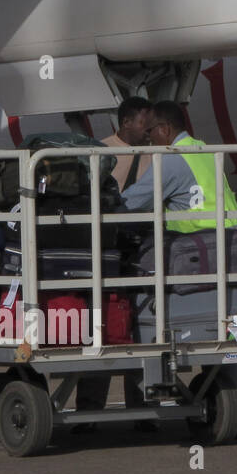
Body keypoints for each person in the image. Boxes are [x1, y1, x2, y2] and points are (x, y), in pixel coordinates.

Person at [122, 101, 237, 436]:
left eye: (150, 134)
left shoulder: (171, 160)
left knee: (217, 332)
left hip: (209, 256)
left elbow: (133, 202)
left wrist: (99, 201)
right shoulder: (205, 151)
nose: (149, 141)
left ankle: (230, 417)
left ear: (164, 130)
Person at [74, 98, 155, 433]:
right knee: (104, 328)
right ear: (124, 123)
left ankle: (144, 410)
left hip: (142, 255)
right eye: (143, 125)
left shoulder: (156, 154)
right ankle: (89, 412)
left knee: (142, 331)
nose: (149, 132)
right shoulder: (99, 151)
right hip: (108, 255)